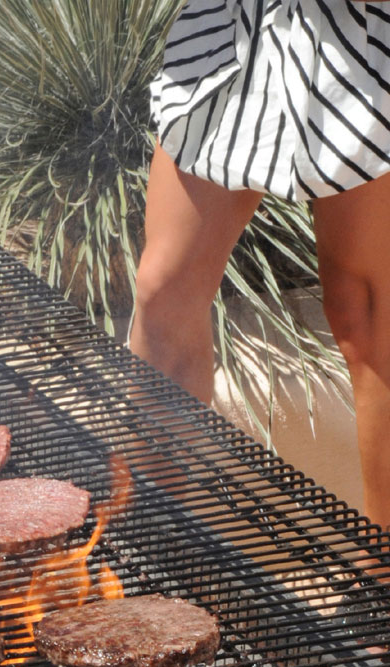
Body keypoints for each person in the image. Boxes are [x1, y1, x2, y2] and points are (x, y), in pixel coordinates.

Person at [129, 0, 390, 531]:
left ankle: (381, 581)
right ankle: (157, 543)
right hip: (241, 23)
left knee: (367, 318)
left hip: (363, 37)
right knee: (162, 293)